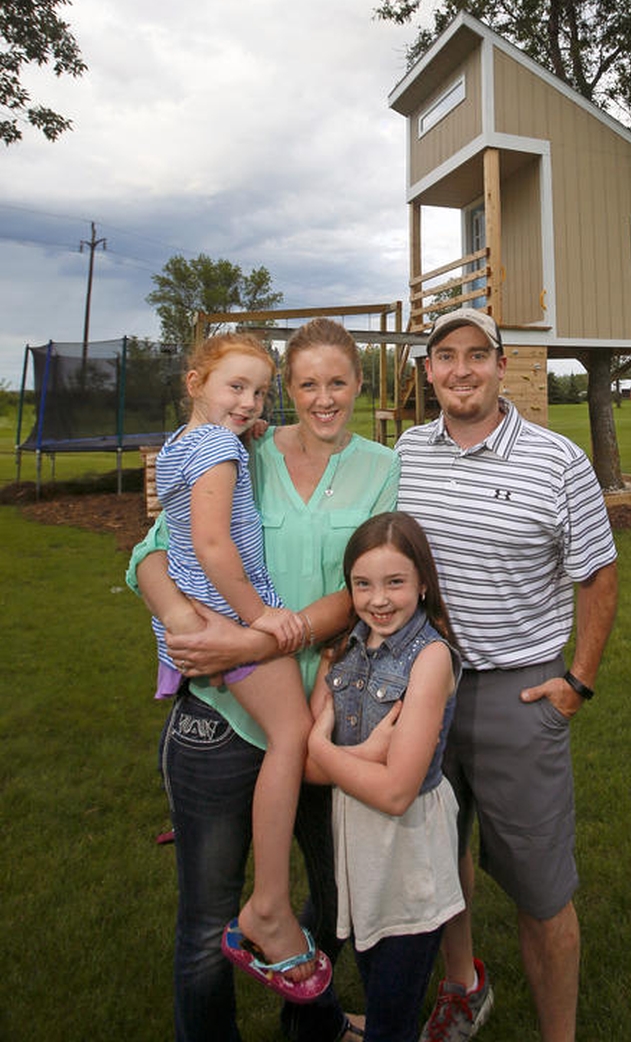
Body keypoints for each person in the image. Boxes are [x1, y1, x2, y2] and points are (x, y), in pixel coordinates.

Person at [128, 317, 400, 1042]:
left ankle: (307, 1023)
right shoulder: (245, 451)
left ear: (358, 384)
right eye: (306, 383)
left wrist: (252, 637)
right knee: (205, 922)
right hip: (223, 713)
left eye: (337, 382)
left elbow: (369, 586)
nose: (322, 398)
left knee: (338, 890)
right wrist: (187, 633)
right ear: (290, 389)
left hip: (327, 708)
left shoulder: (382, 467)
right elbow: (154, 550)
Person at [394, 309, 619, 1042]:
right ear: (428, 371)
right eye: (446, 356)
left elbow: (599, 575)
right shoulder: (407, 452)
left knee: (540, 887)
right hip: (424, 689)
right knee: (437, 850)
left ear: (501, 365)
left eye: (477, 355)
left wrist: (576, 682)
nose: (461, 369)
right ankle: (463, 986)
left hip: (520, 695)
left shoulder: (557, 461)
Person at [149, 330, 326, 999]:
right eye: (236, 387)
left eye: (259, 392)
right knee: (291, 737)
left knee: (286, 736)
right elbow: (217, 546)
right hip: (228, 611)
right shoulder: (220, 446)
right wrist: (261, 619)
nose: (249, 403)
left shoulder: (182, 444)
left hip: (198, 611)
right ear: (195, 382)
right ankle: (270, 906)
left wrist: (239, 430)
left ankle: (270, 905)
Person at [305, 511, 464, 1042]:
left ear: (423, 583)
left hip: (409, 855)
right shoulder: (343, 648)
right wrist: (364, 752)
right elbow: (308, 768)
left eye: (395, 582)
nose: (379, 600)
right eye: (363, 584)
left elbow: (397, 792)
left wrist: (320, 746)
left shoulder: (431, 658)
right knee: (375, 982)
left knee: (394, 1010)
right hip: (358, 847)